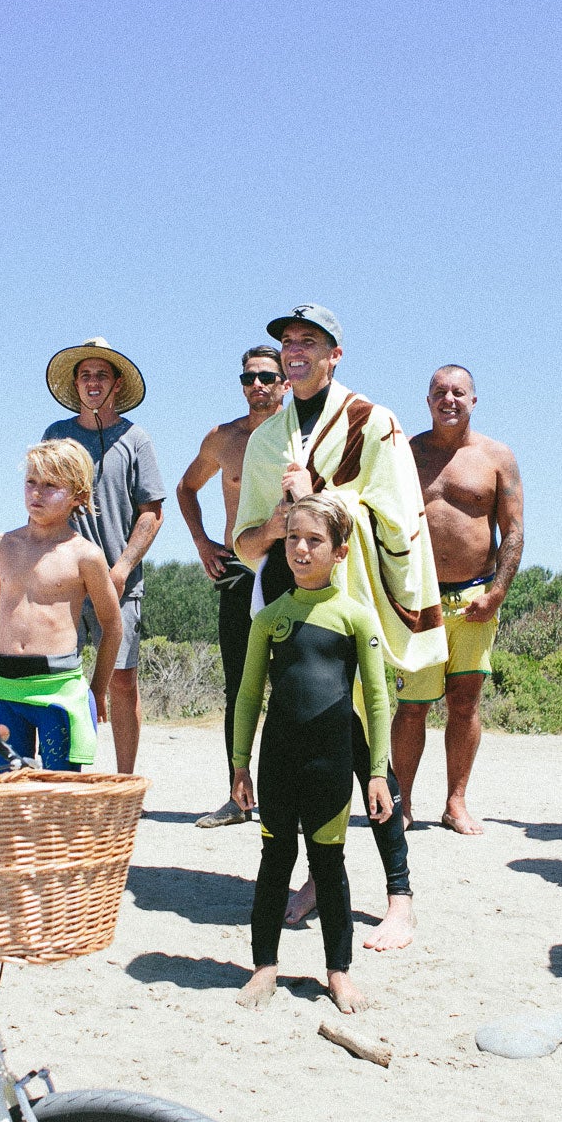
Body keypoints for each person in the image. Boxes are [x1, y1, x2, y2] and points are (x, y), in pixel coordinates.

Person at [232, 303, 443, 952]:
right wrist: (275, 523)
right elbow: (244, 544)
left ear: (334, 354)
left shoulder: (373, 423)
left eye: (308, 341)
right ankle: (320, 879)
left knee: (366, 751)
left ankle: (399, 897)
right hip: (292, 616)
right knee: (303, 754)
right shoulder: (266, 440)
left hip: (355, 613)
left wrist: (320, 488)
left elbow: (402, 516)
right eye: (287, 341)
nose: (294, 350)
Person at [232, 495, 395, 1014]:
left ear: (340, 552)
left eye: (314, 540)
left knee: (329, 864)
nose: (300, 549)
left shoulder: (355, 618)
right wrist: (239, 762)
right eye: (293, 538)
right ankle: (264, 966)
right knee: (274, 859)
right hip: (278, 758)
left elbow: (375, 700)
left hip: (331, 760)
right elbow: (248, 694)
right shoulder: (270, 618)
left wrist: (375, 773)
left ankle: (339, 972)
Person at [392, 365, 523, 836]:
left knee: (465, 702)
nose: (449, 399)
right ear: (427, 400)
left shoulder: (496, 457)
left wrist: (497, 592)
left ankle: (455, 801)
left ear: (473, 399)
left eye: (458, 392)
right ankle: (402, 803)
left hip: (474, 595)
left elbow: (513, 529)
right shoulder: (406, 454)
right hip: (418, 598)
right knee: (413, 705)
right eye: (439, 392)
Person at [42, 338, 167, 775]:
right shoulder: (56, 435)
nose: (93, 382)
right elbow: (41, 501)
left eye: (101, 375)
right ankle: (62, 775)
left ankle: (125, 781)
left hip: (120, 582)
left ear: (116, 384)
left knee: (121, 679)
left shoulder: (136, 439)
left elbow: (152, 513)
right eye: (85, 375)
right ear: (76, 383)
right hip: (63, 583)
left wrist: (121, 569)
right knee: (59, 679)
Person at [176, 345, 289, 827]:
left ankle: (291, 798)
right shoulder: (223, 439)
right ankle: (237, 796)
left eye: (267, 376)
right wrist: (202, 543)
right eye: (248, 378)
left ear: (286, 382)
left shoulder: (302, 435)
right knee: (240, 687)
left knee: (293, 687)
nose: (257, 385)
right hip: (240, 572)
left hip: (293, 570)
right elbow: (185, 488)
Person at [0, 439, 122, 771]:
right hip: (5, 686)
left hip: (58, 690)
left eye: (50, 485)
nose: (37, 493)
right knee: (6, 789)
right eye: (31, 481)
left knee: (60, 792)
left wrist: (97, 689)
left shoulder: (85, 555)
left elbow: (113, 625)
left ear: (79, 496)